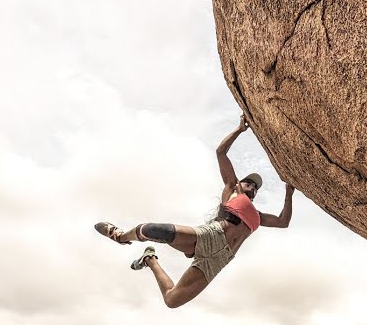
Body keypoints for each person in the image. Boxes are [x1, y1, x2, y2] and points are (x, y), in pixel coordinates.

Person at [94, 115, 295, 308]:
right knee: (153, 230)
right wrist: (239, 130)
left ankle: (149, 259)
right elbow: (221, 153)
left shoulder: (257, 216)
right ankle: (120, 237)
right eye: (248, 182)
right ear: (240, 183)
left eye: (255, 187)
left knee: (172, 300)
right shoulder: (232, 189)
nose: (252, 186)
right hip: (210, 236)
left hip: (220, 260)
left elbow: (283, 221)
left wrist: (289, 191)